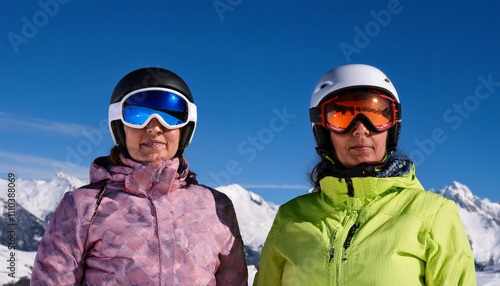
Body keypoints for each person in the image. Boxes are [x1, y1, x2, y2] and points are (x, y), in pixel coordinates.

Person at [254, 64, 476, 285]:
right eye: (342, 116)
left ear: (392, 128)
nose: (361, 129)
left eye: (377, 115)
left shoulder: (434, 214)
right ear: (323, 131)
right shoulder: (289, 218)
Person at [31, 67, 248, 285]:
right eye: (137, 115)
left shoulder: (216, 207)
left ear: (186, 128)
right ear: (119, 125)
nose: (154, 127)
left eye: (171, 115)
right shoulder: (81, 207)